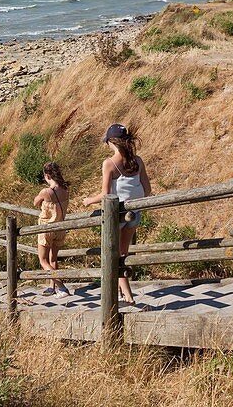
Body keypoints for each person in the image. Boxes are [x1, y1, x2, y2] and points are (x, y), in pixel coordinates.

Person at [83, 123, 152, 307]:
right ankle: (125, 293)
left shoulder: (109, 164)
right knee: (123, 252)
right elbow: (148, 189)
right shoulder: (138, 161)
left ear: (111, 142)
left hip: (117, 214)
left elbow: (106, 194)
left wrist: (89, 200)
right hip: (135, 213)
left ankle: (125, 296)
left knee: (113, 256)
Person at [33, 161, 70, 297]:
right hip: (60, 228)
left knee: (43, 260)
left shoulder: (46, 192)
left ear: (47, 175)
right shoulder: (65, 190)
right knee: (53, 259)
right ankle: (52, 286)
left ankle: (61, 287)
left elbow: (35, 202)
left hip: (47, 228)